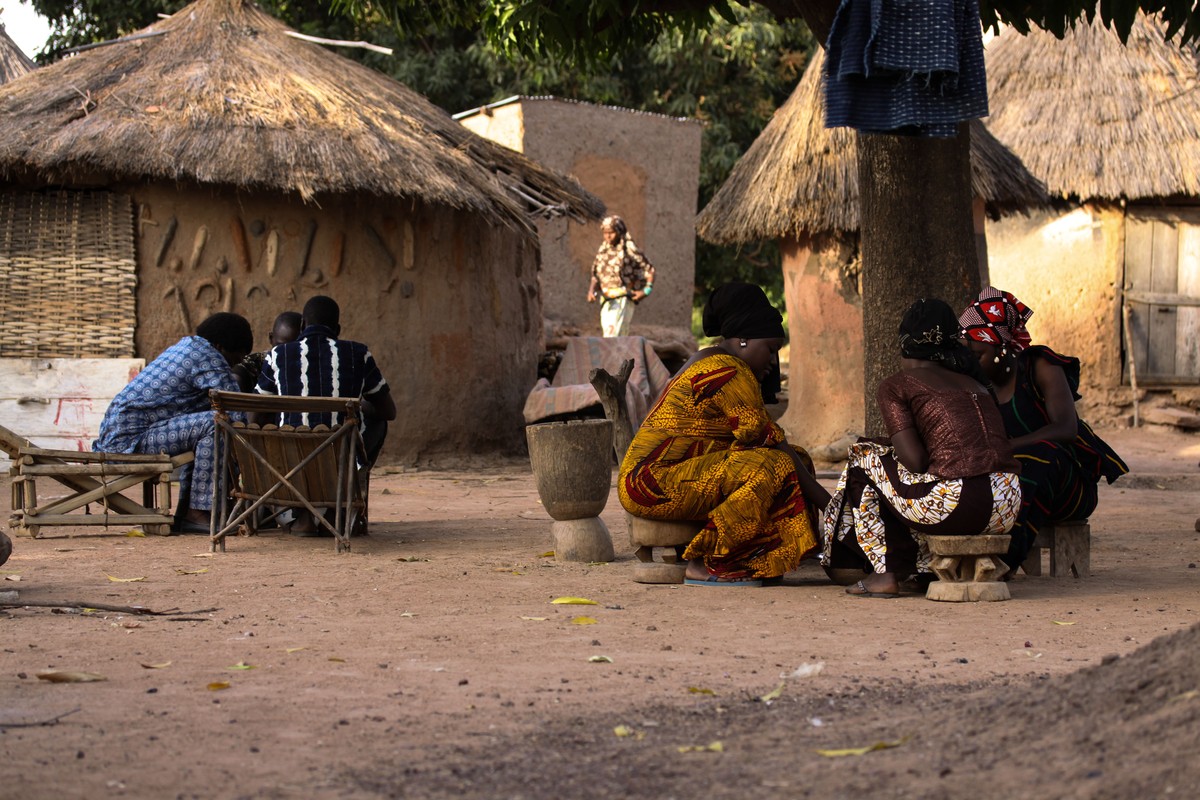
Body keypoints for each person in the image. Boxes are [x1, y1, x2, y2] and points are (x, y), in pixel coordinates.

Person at [618, 282, 830, 587]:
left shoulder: (713, 358)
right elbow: (765, 439)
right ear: (742, 340)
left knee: (797, 458)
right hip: (650, 482)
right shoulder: (726, 369)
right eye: (770, 350)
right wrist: (833, 506)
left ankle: (792, 548)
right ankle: (709, 562)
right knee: (771, 465)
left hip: (670, 474)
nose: (773, 362)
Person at [821, 298, 1023, 597]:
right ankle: (924, 569)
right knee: (903, 472)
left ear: (903, 344)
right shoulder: (976, 384)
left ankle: (885, 573)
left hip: (959, 505)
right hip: (1008, 504)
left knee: (864, 457)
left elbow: (914, 461)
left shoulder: (899, 384)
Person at [959, 287, 1128, 571]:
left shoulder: (1041, 366)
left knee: (1042, 454)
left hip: (1069, 487)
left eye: (978, 355)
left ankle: (1005, 561)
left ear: (1001, 347)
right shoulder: (978, 384)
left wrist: (1013, 446)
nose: (972, 362)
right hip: (1016, 485)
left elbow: (1066, 428)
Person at [94, 312, 253, 534]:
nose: (232, 367)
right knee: (218, 423)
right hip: (130, 441)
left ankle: (188, 511)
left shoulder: (187, 347)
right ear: (220, 347)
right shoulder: (208, 356)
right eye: (235, 359)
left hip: (121, 435)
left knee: (206, 421)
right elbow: (234, 409)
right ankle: (197, 512)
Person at [256, 295, 396, 468]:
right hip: (339, 464)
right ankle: (355, 481)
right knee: (378, 422)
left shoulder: (276, 355)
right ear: (337, 329)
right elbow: (389, 411)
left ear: (302, 326)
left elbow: (255, 415)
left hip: (289, 463)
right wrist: (356, 405)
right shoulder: (359, 354)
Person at [586, 215, 656, 338]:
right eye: (605, 233)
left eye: (611, 232)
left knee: (612, 336)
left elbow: (649, 270)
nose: (608, 236)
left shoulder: (629, 251)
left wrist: (646, 291)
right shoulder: (603, 251)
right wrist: (591, 291)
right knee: (614, 337)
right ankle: (617, 357)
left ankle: (610, 357)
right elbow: (596, 275)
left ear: (619, 232)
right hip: (606, 299)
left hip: (622, 299)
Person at [232, 311, 301, 392]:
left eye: (294, 348)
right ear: (271, 338)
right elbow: (237, 376)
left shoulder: (310, 369)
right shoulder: (253, 366)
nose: (286, 352)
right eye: (281, 347)